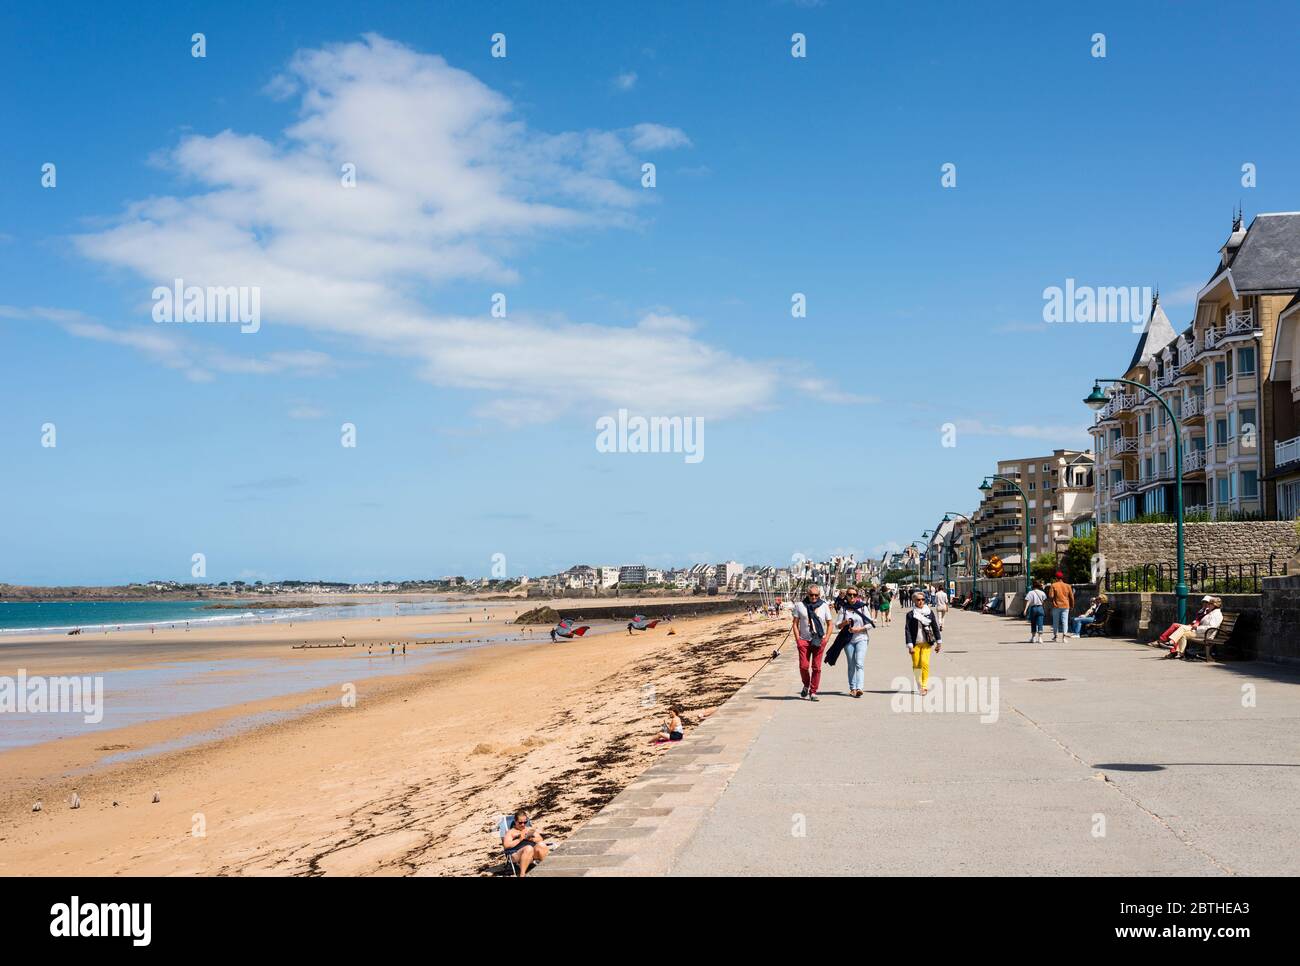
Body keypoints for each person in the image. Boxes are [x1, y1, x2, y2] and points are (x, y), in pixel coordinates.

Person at [792, 584, 834, 701]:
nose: (814, 597)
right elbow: (795, 623)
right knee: (804, 667)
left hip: (819, 640)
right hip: (804, 640)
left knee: (817, 668)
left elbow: (830, 624)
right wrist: (798, 640)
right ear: (807, 594)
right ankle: (806, 684)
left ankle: (813, 691)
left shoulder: (824, 606)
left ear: (819, 595)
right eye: (811, 595)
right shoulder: (800, 606)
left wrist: (826, 639)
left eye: (816, 595)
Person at [835, 587, 875, 698]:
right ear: (846, 595)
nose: (852, 596)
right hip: (848, 640)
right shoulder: (843, 608)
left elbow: (870, 624)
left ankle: (859, 688)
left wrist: (859, 629)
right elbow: (837, 625)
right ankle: (852, 688)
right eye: (849, 594)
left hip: (861, 638)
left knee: (859, 663)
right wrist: (844, 623)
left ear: (857, 595)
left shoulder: (862, 607)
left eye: (854, 594)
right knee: (851, 664)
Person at [1159, 596, 1224, 660]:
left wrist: (1197, 628)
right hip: (1201, 631)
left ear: (1215, 605)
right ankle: (1177, 649)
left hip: (1206, 634)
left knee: (1182, 631)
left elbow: (1211, 627)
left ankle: (1173, 645)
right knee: (1182, 630)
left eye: (1210, 603)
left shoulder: (1216, 614)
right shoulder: (1211, 612)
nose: (1208, 605)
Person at [905, 590, 942, 695]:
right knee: (916, 664)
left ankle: (924, 686)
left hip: (927, 643)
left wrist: (939, 642)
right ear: (914, 601)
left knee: (925, 663)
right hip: (915, 643)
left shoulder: (929, 612)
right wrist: (910, 645)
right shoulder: (910, 614)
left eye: (922, 599)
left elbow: (935, 627)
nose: (921, 601)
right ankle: (919, 683)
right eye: (918, 600)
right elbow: (907, 630)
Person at [501, 810, 548, 876]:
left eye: (525, 822)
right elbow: (506, 845)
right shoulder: (510, 832)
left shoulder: (528, 829)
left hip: (531, 853)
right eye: (520, 823)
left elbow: (540, 839)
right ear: (515, 821)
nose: (523, 824)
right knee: (528, 848)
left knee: (542, 845)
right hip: (516, 854)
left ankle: (547, 868)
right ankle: (522, 874)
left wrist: (531, 839)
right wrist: (520, 839)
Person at [1046, 571, 1075, 642]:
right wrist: (1072, 605)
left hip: (1056, 606)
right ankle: (1064, 637)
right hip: (1066, 605)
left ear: (1056, 578)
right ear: (1062, 578)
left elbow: (1051, 596)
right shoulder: (1068, 586)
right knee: (1065, 621)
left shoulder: (1053, 585)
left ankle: (1055, 636)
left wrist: (1052, 600)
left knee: (1055, 622)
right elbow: (1071, 597)